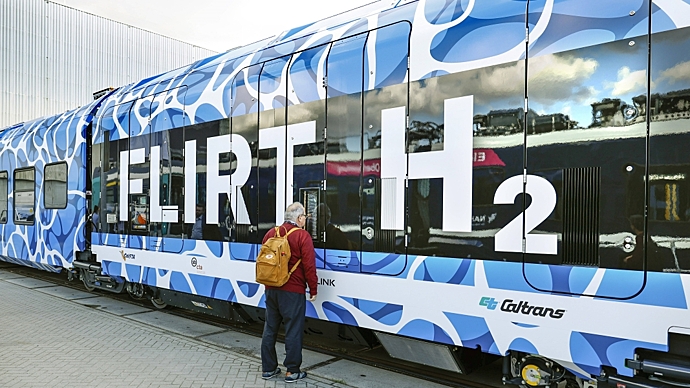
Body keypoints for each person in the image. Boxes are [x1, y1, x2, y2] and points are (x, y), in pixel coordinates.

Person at [261, 202, 318, 383]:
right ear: (299, 218)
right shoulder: (302, 236)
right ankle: (292, 371)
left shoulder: (271, 233)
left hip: (271, 288)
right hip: (292, 291)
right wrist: (313, 288)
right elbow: (309, 266)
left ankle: (269, 368)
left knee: (270, 328)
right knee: (293, 329)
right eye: (305, 218)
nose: (305, 221)